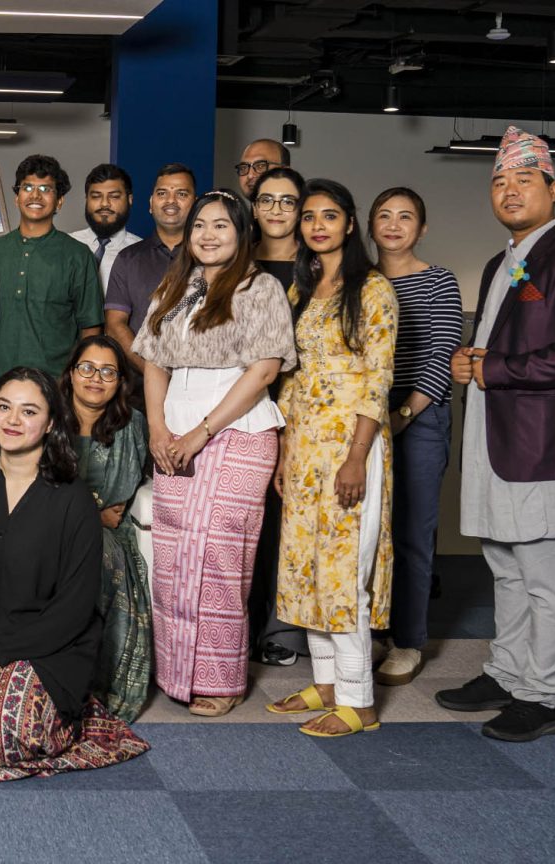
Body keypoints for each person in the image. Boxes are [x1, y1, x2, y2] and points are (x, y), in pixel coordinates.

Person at [436, 127, 555, 742]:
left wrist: (496, 368)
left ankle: (540, 697)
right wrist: (469, 360)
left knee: (548, 577)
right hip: (495, 440)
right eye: (499, 182)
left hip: (545, 447)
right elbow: (500, 345)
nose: (509, 191)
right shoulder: (501, 262)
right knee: (506, 568)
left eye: (523, 180)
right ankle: (508, 673)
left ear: (553, 189)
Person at [0, 367, 150, 781]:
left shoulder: (74, 501)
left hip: (44, 650)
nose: (13, 420)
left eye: (29, 411)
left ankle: (68, 721)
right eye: (4, 407)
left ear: (51, 423)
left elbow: (73, 610)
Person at [133, 189, 295, 717]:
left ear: (242, 233)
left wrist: (201, 432)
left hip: (237, 431)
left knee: (219, 560)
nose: (207, 234)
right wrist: (157, 428)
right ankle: (178, 673)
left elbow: (264, 370)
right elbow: (154, 362)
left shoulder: (260, 287)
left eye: (221, 225)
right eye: (200, 224)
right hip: (173, 431)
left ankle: (221, 680)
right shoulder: (174, 286)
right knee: (173, 558)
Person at [268, 179, 396, 738]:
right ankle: (325, 685)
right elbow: (291, 378)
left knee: (343, 572)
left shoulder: (373, 290)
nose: (317, 225)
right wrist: (283, 450)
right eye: (309, 216)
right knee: (305, 568)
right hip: (304, 447)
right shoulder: (301, 289)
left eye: (329, 215)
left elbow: (378, 379)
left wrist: (357, 456)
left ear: (349, 223)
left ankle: (359, 700)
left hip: (350, 446)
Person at [369, 186, 462, 687]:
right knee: (370, 532)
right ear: (370, 225)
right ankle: (375, 630)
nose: (394, 225)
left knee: (411, 534)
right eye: (384, 215)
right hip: (365, 415)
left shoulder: (438, 281)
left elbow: (442, 356)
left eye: (405, 217)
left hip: (419, 418)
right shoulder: (360, 280)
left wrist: (402, 414)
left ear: (421, 229)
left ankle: (408, 641)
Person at [61, 335, 152, 721]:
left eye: (107, 372)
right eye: (86, 368)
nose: (95, 378)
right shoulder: (47, 419)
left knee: (98, 553)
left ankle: (97, 682)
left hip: (110, 536)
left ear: (121, 382)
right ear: (71, 373)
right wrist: (90, 515)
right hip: (52, 525)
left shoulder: (133, 426)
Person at [247, 165, 308, 668]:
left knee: (288, 523)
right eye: (267, 200)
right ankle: (242, 626)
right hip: (244, 405)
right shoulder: (236, 261)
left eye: (288, 201)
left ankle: (282, 631)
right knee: (249, 521)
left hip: (303, 412)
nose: (276, 210)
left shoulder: (319, 269)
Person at [0, 155, 102, 399]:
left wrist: (74, 383)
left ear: (59, 202)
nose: (35, 195)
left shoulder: (78, 255)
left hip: (55, 387)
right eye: (27, 188)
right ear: (17, 197)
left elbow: (91, 329)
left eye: (46, 189)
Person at [104, 163, 197, 377]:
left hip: (197, 385)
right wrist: (153, 375)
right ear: (151, 204)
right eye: (162, 193)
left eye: (181, 194)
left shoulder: (212, 258)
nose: (171, 200)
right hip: (138, 385)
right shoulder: (127, 259)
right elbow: (115, 325)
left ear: (196, 204)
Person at [70, 163, 140, 294]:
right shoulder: (67, 245)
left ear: (130, 199)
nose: (104, 204)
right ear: (86, 199)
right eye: (96, 196)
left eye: (114, 196)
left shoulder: (142, 254)